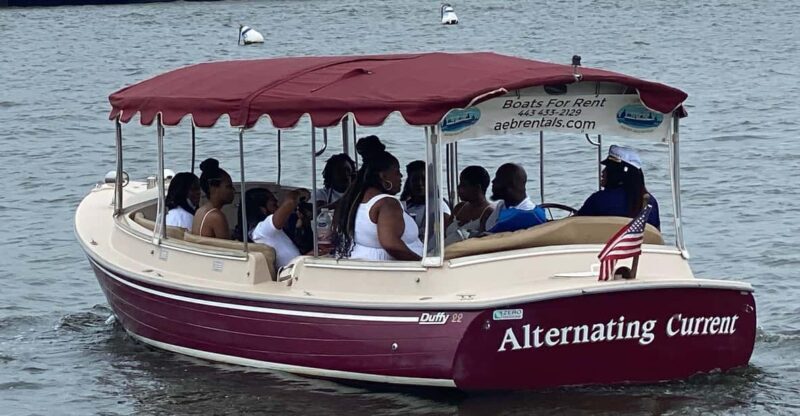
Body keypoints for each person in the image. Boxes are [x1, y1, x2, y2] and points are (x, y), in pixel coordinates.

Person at [332, 135, 423, 261]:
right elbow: (391, 244)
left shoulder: (353, 198)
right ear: (383, 176)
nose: (401, 176)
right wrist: (421, 262)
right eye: (397, 171)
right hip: (394, 273)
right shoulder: (387, 203)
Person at [576, 145, 660, 229]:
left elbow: (575, 226)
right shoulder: (651, 202)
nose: (603, 171)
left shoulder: (598, 200)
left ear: (616, 173)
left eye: (608, 168)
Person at [251, 188, 311, 269]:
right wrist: (298, 193)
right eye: (274, 205)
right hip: (291, 276)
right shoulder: (263, 230)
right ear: (262, 209)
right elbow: (290, 202)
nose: (278, 207)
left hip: (297, 269)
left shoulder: (266, 232)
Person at [484, 163, 547, 233]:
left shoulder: (529, 216)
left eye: (498, 179)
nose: (493, 181)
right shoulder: (502, 206)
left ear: (511, 185)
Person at [400, 160, 451, 240]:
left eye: (424, 179)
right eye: (415, 180)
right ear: (409, 182)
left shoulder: (438, 206)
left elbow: (440, 234)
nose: (420, 183)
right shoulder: (405, 206)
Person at [444, 166, 494, 245]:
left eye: (464, 185)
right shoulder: (459, 208)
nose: (458, 188)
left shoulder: (488, 212)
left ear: (478, 188)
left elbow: (482, 242)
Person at [192, 158, 235, 239]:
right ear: (213, 188)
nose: (233, 190)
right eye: (228, 186)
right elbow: (227, 248)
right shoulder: (217, 217)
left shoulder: (200, 210)